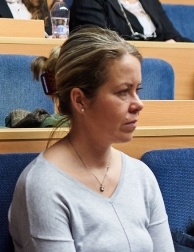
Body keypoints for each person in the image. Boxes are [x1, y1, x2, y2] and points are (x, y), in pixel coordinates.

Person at [9, 26, 174, 251]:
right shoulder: (43, 186)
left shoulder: (141, 176)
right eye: (123, 92)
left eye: (137, 90)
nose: (139, 104)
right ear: (80, 101)